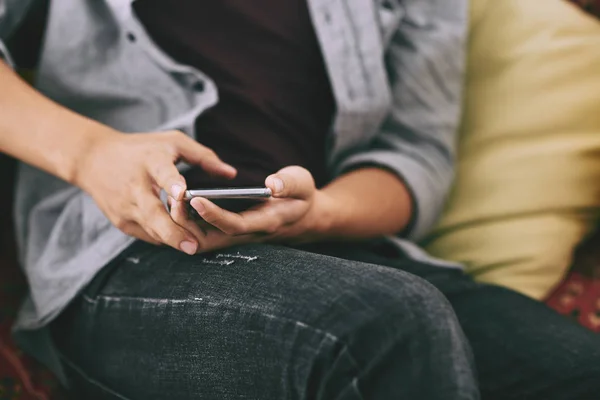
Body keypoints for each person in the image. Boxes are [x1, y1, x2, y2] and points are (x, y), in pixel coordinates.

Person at [1, 0, 599, 399]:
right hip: (128, 252)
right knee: (383, 323)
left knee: (579, 372)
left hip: (340, 246)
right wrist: (90, 154)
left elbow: (414, 157)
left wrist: (318, 215)